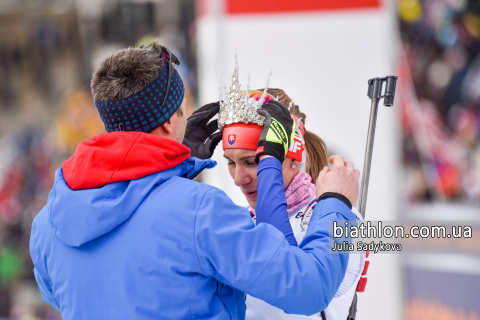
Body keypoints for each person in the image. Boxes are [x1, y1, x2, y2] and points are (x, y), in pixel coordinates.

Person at [29, 40, 360, 320]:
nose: (241, 177)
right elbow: (307, 287)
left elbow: (66, 291)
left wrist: (173, 164)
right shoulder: (201, 212)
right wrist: (336, 203)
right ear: (169, 122)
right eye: (183, 112)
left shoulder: (48, 222)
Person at [221, 87, 365, 320]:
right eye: (230, 162)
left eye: (251, 162)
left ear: (293, 160)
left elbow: (289, 285)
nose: (239, 178)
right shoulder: (242, 221)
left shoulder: (340, 216)